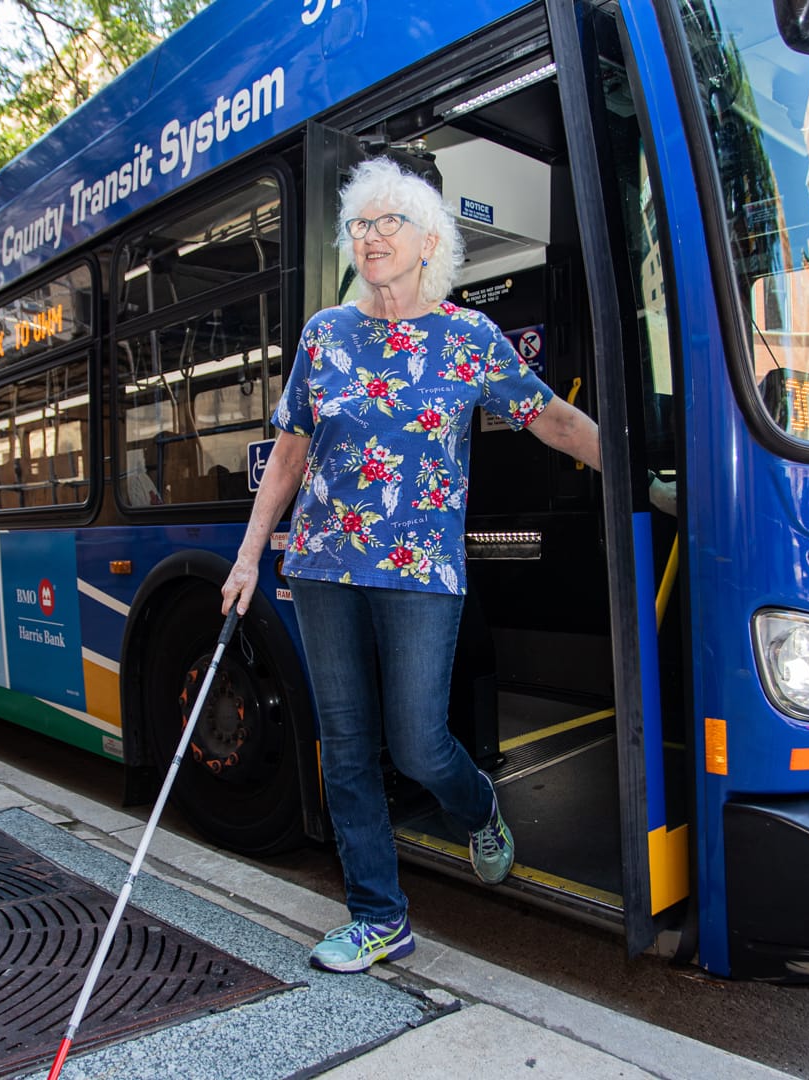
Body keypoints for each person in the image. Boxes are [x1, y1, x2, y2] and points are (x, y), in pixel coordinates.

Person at [219, 158, 601, 974]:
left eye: (390, 222)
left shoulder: (468, 340)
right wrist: (252, 555)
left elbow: (554, 421)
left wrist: (648, 472)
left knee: (420, 746)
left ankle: (479, 807)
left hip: (420, 569)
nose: (371, 236)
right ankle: (378, 917)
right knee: (348, 747)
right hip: (323, 566)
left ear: (431, 241)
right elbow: (288, 454)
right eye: (360, 224)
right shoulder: (326, 334)